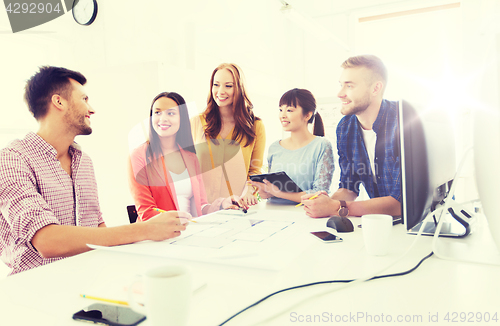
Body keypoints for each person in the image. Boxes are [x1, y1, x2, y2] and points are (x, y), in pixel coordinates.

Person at [0, 66, 189, 275]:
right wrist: (145, 229)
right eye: (84, 99)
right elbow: (46, 241)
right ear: (58, 102)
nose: (91, 109)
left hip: (89, 278)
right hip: (36, 288)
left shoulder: (84, 162)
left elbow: (98, 227)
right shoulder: (13, 159)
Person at [302, 55, 401, 218]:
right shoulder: (345, 127)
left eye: (349, 86)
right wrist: (323, 202)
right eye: (341, 85)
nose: (340, 94)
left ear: (375, 88)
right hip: (381, 224)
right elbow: (348, 187)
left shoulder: (403, 122)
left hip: (423, 226)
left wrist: (337, 207)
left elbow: (401, 203)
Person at [128, 92, 245, 221]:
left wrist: (222, 204)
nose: (162, 118)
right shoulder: (139, 156)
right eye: (157, 112)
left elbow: (201, 207)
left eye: (170, 113)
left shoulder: (191, 158)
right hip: (159, 235)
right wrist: (182, 223)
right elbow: (146, 212)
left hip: (191, 231)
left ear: (181, 118)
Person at [191, 63, 266, 206]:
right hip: (201, 209)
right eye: (216, 84)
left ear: (239, 88)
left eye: (228, 86)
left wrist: (250, 190)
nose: (220, 91)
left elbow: (255, 169)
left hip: (237, 208)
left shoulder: (256, 127)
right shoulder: (196, 123)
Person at [250, 88, 334, 204]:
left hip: (305, 215)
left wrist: (278, 193)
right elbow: (272, 189)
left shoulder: (321, 145)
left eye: (289, 110)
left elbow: (320, 192)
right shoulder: (274, 147)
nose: (282, 115)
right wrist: (266, 192)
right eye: (280, 110)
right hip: (272, 215)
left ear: (307, 115)